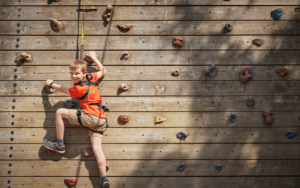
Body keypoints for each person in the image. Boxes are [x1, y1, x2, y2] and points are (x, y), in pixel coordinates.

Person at [43, 51, 110, 188]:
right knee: (97, 148)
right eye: (72, 74)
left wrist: (51, 83)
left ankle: (60, 144)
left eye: (76, 74)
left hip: (91, 117)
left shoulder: (78, 88)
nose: (73, 76)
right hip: (102, 120)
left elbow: (64, 90)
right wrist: (94, 58)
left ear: (83, 74)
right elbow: (103, 71)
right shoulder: (92, 77)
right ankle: (104, 178)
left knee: (60, 112)